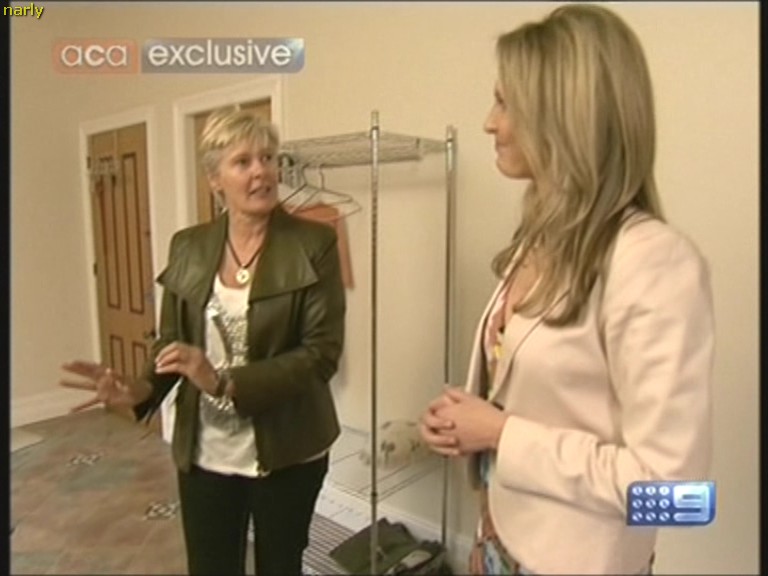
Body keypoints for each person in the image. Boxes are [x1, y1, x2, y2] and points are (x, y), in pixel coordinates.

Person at [419, 4, 714, 575]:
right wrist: (468, 423)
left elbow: (679, 497)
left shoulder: (653, 263)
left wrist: (501, 433)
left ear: (562, 116)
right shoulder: (538, 241)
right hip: (498, 544)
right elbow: (534, 389)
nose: (489, 123)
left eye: (504, 103)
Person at [60, 107, 346, 575]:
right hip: (206, 452)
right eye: (243, 162)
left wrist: (223, 381)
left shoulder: (314, 243)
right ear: (215, 179)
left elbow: (320, 356)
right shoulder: (188, 246)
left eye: (268, 158)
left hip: (290, 447)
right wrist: (139, 389)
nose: (261, 171)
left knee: (280, 565)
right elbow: (172, 342)